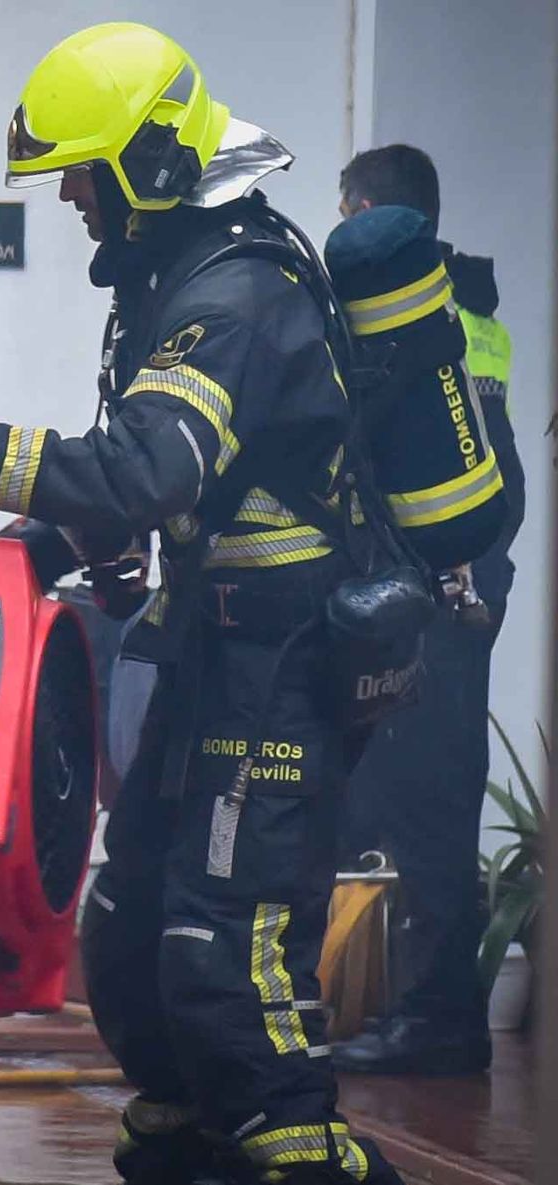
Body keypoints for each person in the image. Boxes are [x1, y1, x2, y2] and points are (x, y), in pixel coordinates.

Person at [0, 23, 403, 1185]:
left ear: (150, 167)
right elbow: (148, 480)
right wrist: (28, 550)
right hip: (212, 652)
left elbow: (149, 472)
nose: (73, 205)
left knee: (225, 944)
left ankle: (303, 1159)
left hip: (279, 663)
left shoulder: (241, 296)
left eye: (84, 179)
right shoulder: (185, 278)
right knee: (133, 923)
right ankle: (187, 1143)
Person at [333, 145, 526, 1075]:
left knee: (425, 812)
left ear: (365, 210)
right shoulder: (474, 317)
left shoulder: (396, 318)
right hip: (468, 583)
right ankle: (427, 1012)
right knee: (417, 804)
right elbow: (506, 478)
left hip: (435, 591)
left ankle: (436, 1023)